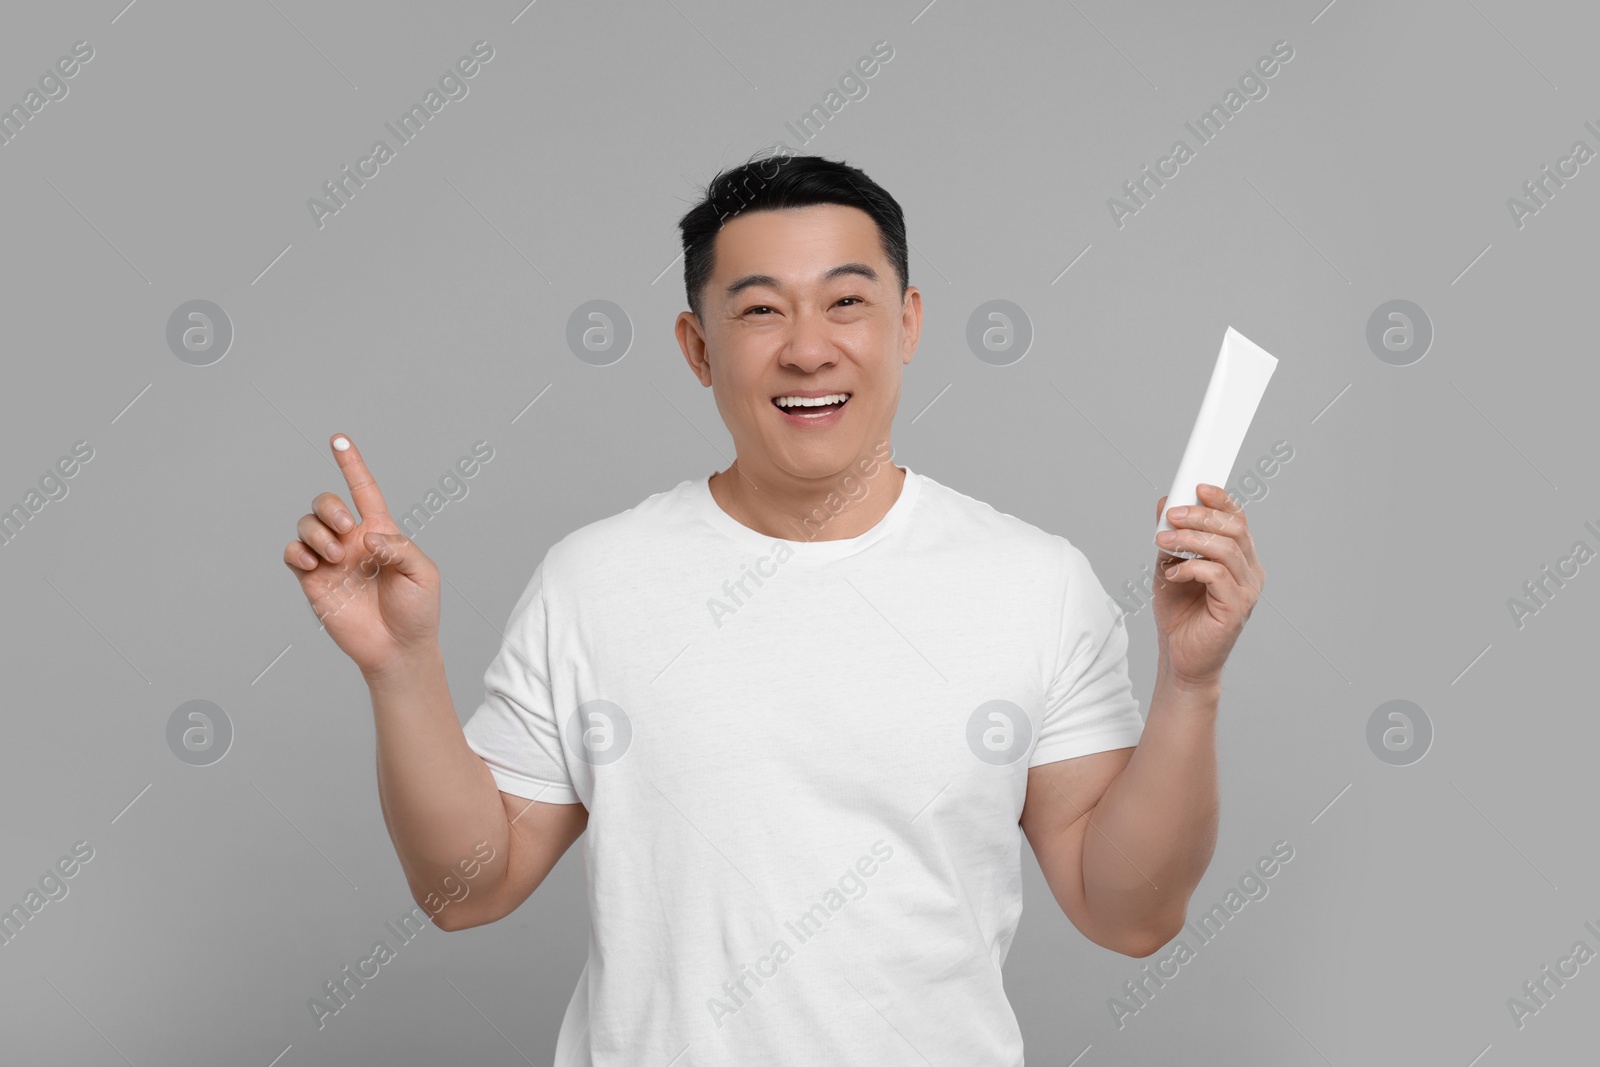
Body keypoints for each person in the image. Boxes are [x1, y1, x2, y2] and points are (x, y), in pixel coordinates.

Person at [282, 153, 1266, 1065]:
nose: (807, 348)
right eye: (759, 311)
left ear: (908, 322)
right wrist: (400, 667)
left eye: (846, 301)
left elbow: (1128, 911)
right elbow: (468, 888)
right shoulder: (594, 580)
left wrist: (1193, 682)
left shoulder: (1034, 583)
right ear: (696, 345)